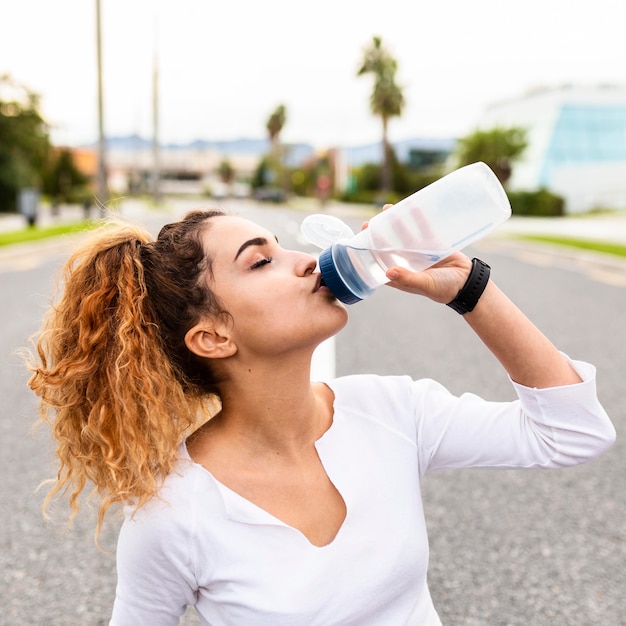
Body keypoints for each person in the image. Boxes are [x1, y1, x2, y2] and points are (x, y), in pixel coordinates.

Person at [27, 208, 615, 626]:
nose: (308, 261)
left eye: (284, 246)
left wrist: (469, 290)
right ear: (212, 336)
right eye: (262, 262)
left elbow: (573, 434)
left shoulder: (394, 410)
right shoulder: (174, 518)